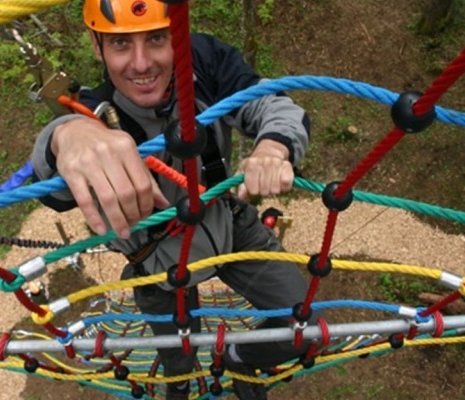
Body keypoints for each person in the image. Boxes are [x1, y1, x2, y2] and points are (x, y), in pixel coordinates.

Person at [31, 0, 318, 398]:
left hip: (229, 227)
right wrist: (65, 136)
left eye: (156, 39)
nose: (142, 63)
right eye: (120, 45)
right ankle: (179, 383)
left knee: (302, 327)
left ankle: (239, 357)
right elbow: (55, 187)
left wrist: (273, 148)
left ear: (176, 36)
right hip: (157, 259)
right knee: (178, 353)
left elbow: (275, 106)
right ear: (97, 47)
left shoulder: (205, 63)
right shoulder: (93, 119)